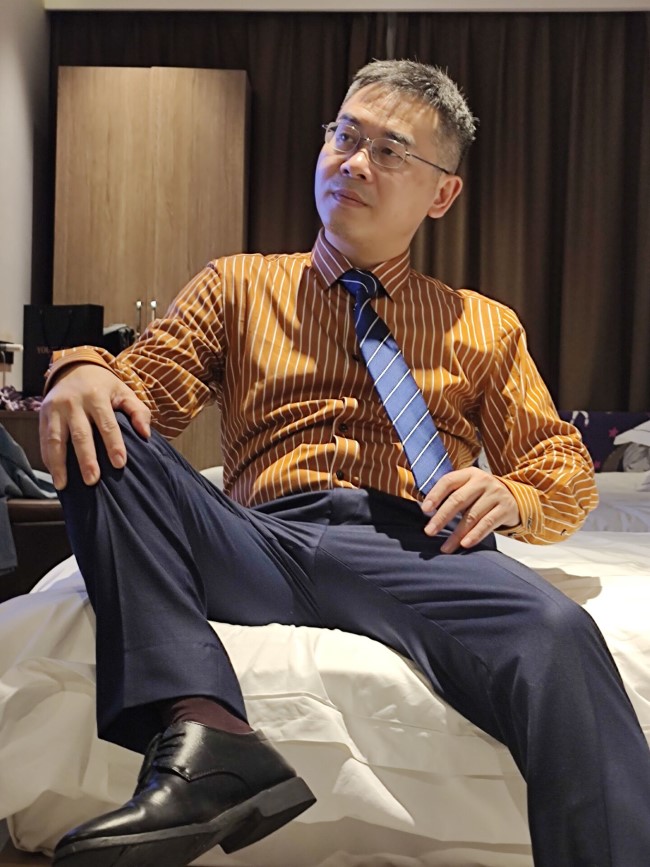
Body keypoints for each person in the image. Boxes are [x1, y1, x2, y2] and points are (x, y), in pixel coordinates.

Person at [40, 59, 650, 867]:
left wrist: (511, 492)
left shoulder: (483, 326)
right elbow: (140, 393)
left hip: (414, 545)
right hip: (255, 541)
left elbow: (562, 469)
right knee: (102, 423)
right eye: (344, 136)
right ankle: (207, 733)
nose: (354, 162)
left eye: (389, 150)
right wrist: (79, 369)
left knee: (559, 633)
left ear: (442, 194)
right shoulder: (237, 287)